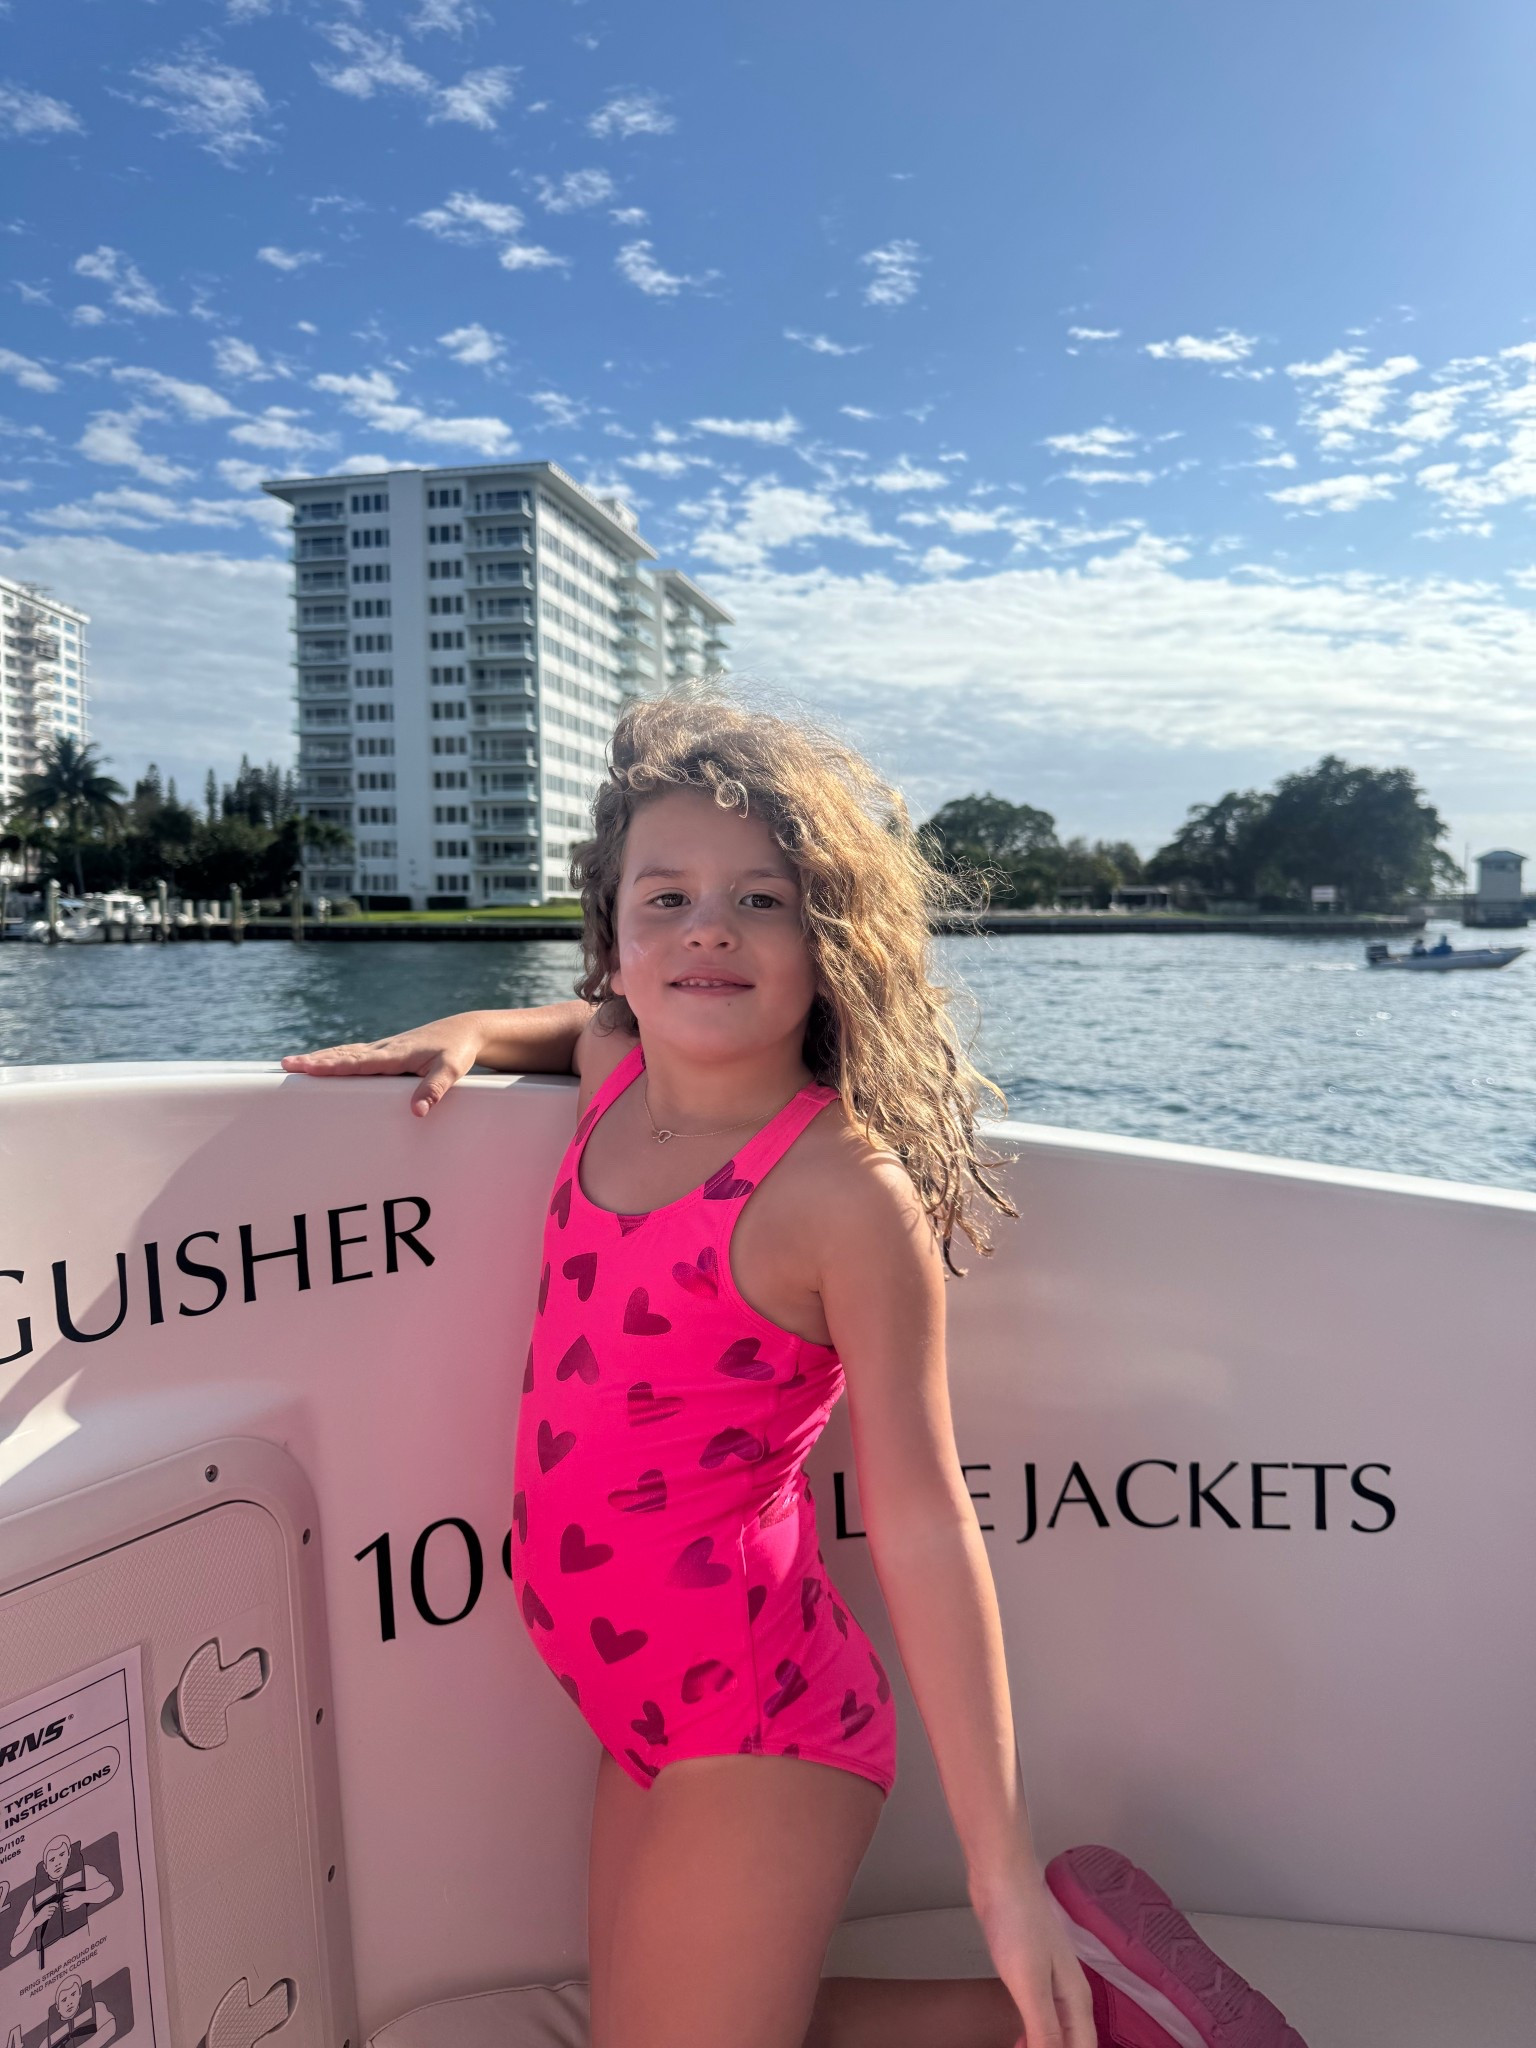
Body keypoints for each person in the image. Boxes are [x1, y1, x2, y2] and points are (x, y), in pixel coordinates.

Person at [283, 685, 1305, 2048]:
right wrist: (472, 1026)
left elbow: (926, 1522)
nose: (708, 928)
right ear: (613, 941)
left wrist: (1001, 1870)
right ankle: (1111, 2010)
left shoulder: (837, 1192)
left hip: (756, 1714)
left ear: (829, 946)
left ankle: (1095, 2015)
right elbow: (570, 1026)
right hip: (632, 1699)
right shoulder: (614, 1079)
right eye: (667, 899)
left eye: (761, 901)